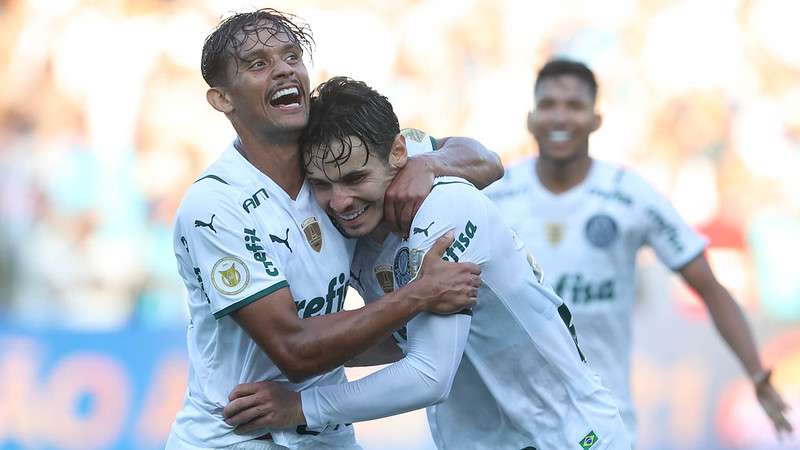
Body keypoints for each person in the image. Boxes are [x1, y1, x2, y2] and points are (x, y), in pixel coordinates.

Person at [223, 76, 632, 450]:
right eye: (323, 185)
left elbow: (429, 376)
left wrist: (301, 407)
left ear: (400, 152)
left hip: (568, 436)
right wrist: (302, 352)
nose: (340, 201)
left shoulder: (446, 207)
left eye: (355, 178)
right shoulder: (346, 227)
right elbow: (399, 338)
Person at [167, 9, 503, 450]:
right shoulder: (217, 204)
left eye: (291, 56)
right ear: (222, 99)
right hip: (238, 435)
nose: (284, 68)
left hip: (326, 434)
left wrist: (431, 164)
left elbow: (486, 160)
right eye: (258, 63)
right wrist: (421, 294)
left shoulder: (334, 161)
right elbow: (296, 350)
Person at [483, 58, 793, 440]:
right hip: (513, 424)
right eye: (548, 105)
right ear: (531, 118)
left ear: (596, 119)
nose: (560, 117)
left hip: (600, 421)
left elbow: (710, 288)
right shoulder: (495, 197)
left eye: (574, 106)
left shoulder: (629, 196)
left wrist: (757, 375)